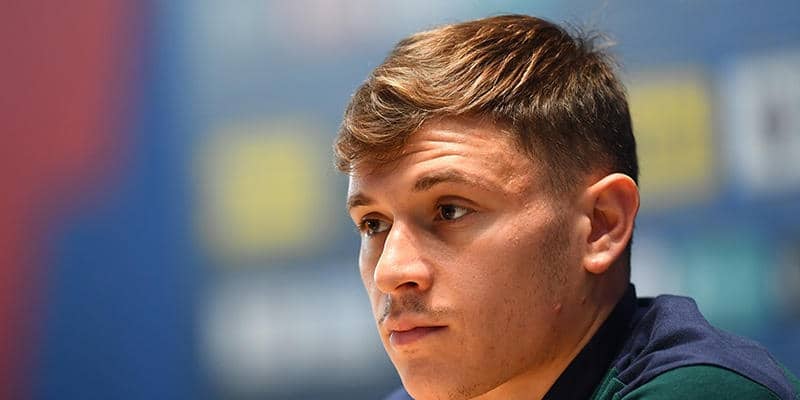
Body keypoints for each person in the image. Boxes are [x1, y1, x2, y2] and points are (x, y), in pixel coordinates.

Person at [334, 14, 800, 400]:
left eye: (450, 210)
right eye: (373, 224)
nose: (390, 271)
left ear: (600, 225)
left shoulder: (700, 391)